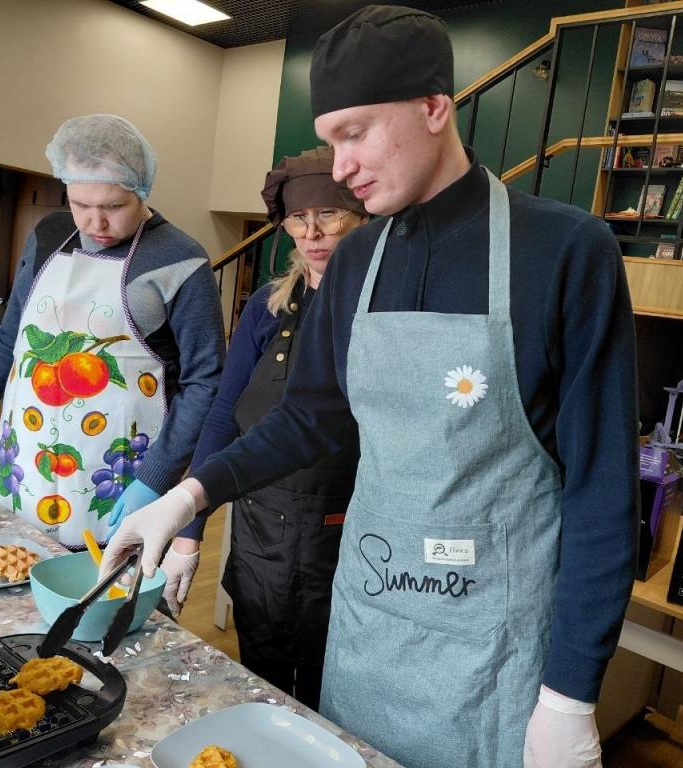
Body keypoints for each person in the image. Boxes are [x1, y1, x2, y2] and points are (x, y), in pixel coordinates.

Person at [102, 7, 638, 768]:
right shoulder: (356, 263)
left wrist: (570, 696)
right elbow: (310, 418)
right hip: (369, 617)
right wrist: (189, 497)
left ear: (434, 107)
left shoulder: (564, 251)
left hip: (492, 643)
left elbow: (602, 490)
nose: (342, 166)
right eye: (331, 141)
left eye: (355, 134)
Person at [0, 114, 224, 549]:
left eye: (113, 207)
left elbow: (205, 381)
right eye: (80, 204)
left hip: (122, 472)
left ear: (142, 190)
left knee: (104, 587)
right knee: (16, 570)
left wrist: (156, 477)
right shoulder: (49, 235)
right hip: (27, 463)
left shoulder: (180, 259)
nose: (95, 223)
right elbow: (10, 343)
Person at [161, 146, 367, 709]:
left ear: (362, 216)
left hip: (344, 530)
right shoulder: (266, 308)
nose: (312, 233)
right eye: (298, 218)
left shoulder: (381, 311)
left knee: (331, 692)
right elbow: (223, 414)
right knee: (262, 677)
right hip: (259, 530)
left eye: (329, 214)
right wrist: (189, 528)